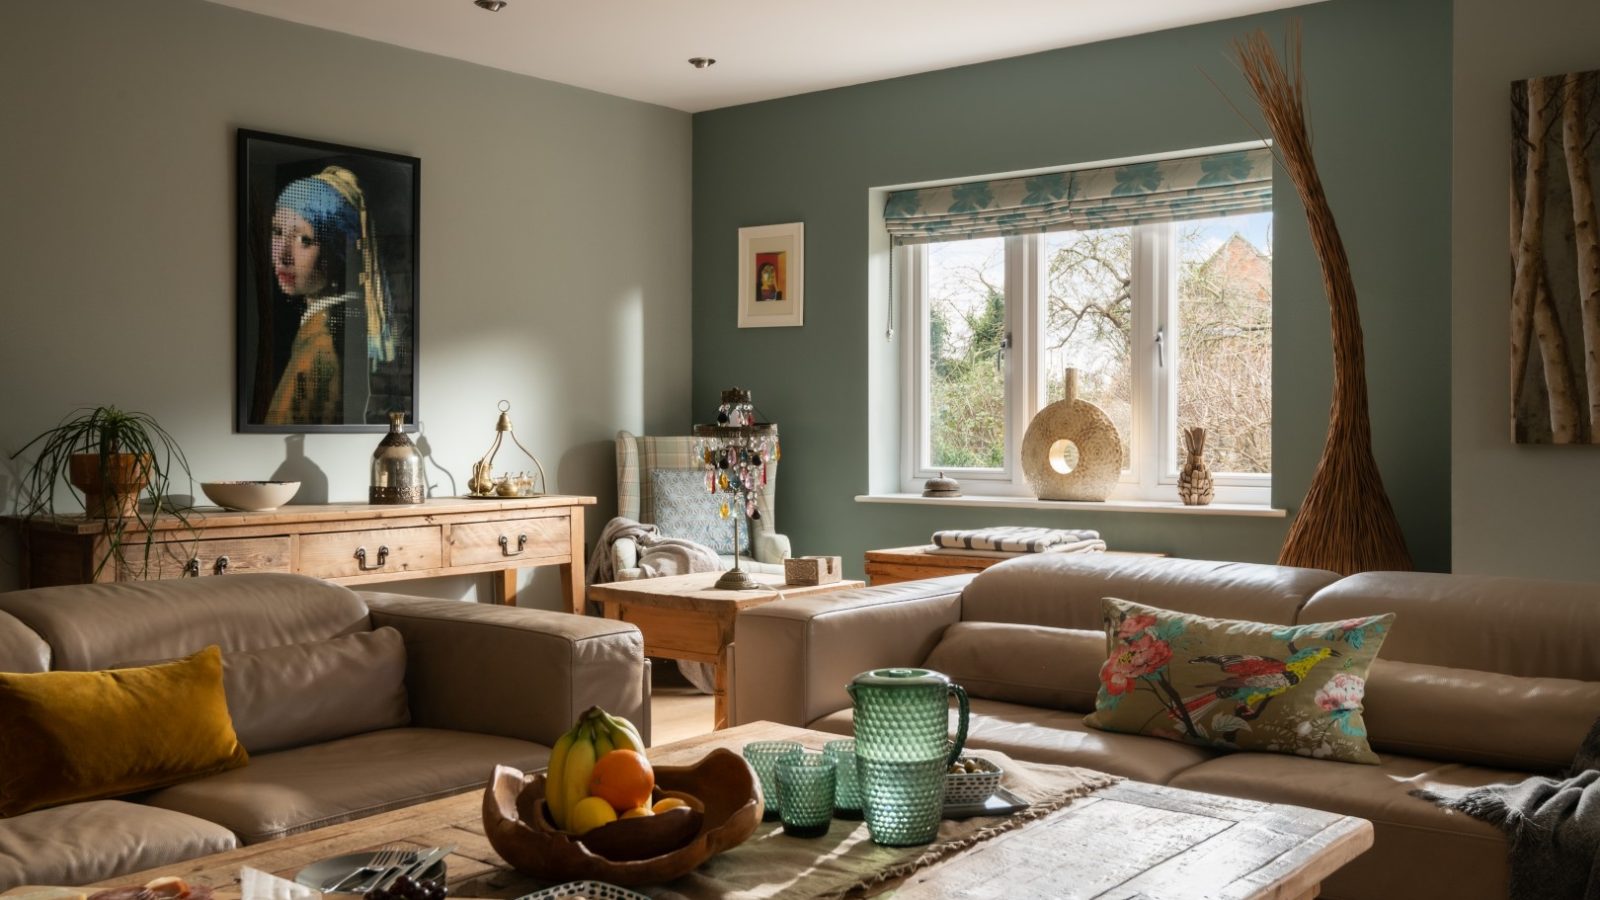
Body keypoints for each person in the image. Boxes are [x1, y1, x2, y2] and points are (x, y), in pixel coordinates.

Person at [263, 166, 398, 426]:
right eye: (278, 232)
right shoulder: (325, 328)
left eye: (304, 240)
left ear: (338, 250)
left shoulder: (323, 341)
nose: (283, 255)